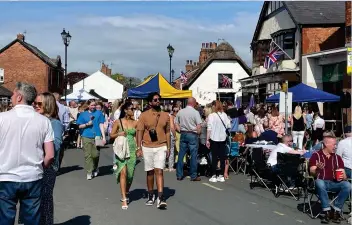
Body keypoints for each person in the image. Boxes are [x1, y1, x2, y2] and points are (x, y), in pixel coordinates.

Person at [0, 82, 55, 225]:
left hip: (6, 176)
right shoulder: (44, 121)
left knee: (5, 218)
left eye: (13, 94)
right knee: (32, 220)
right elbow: (50, 155)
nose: (11, 97)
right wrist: (40, 167)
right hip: (32, 176)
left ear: (19, 97)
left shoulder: (2, 118)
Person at [136, 92, 170, 209]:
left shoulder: (166, 115)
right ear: (150, 102)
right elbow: (139, 131)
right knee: (150, 172)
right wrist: (139, 147)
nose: (157, 101)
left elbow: (167, 132)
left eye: (158, 99)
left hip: (161, 146)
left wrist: (169, 147)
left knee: (159, 171)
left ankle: (160, 197)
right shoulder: (144, 115)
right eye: (155, 100)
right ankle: (151, 195)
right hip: (147, 146)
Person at [34, 92, 64, 225]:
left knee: (45, 199)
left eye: (39, 103)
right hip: (34, 166)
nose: (35, 105)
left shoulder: (54, 123)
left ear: (48, 104)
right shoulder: (35, 120)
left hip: (48, 166)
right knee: (33, 201)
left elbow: (56, 145)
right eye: (34, 103)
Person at [309, 131, 351, 224]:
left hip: (334, 182)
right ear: (325, 144)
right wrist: (317, 169)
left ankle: (336, 210)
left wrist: (342, 176)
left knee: (347, 185)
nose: (335, 147)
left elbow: (343, 175)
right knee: (319, 182)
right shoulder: (316, 155)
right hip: (321, 182)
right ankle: (327, 211)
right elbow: (312, 172)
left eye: (336, 145)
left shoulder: (337, 158)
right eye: (333, 145)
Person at [110, 102, 138, 210]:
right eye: (132, 109)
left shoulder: (136, 123)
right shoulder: (118, 122)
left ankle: (126, 191)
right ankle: (124, 198)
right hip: (121, 149)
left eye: (134, 109)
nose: (133, 110)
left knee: (130, 175)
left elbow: (138, 136)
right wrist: (119, 134)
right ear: (126, 110)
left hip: (131, 149)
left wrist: (138, 149)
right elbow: (111, 135)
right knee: (123, 173)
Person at [76, 99, 106, 180]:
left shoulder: (99, 113)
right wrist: (87, 124)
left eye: (94, 105)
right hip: (86, 135)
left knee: (96, 154)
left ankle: (95, 168)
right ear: (88, 105)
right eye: (92, 105)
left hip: (97, 136)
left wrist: (103, 136)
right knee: (87, 155)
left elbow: (101, 124)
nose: (93, 107)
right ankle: (89, 172)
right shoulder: (83, 114)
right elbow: (79, 126)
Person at [174, 97, 202, 182]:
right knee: (193, 155)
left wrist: (179, 130)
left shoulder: (181, 111)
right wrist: (198, 133)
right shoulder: (195, 112)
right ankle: (193, 175)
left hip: (183, 133)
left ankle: (179, 175)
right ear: (193, 103)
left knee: (181, 155)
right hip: (192, 134)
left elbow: (176, 123)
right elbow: (198, 126)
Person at [207, 100, 231, 183]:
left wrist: (207, 139)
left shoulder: (211, 116)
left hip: (214, 138)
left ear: (214, 106)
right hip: (222, 138)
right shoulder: (224, 115)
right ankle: (221, 175)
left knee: (214, 157)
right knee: (222, 157)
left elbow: (209, 128)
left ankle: (213, 175)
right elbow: (229, 125)